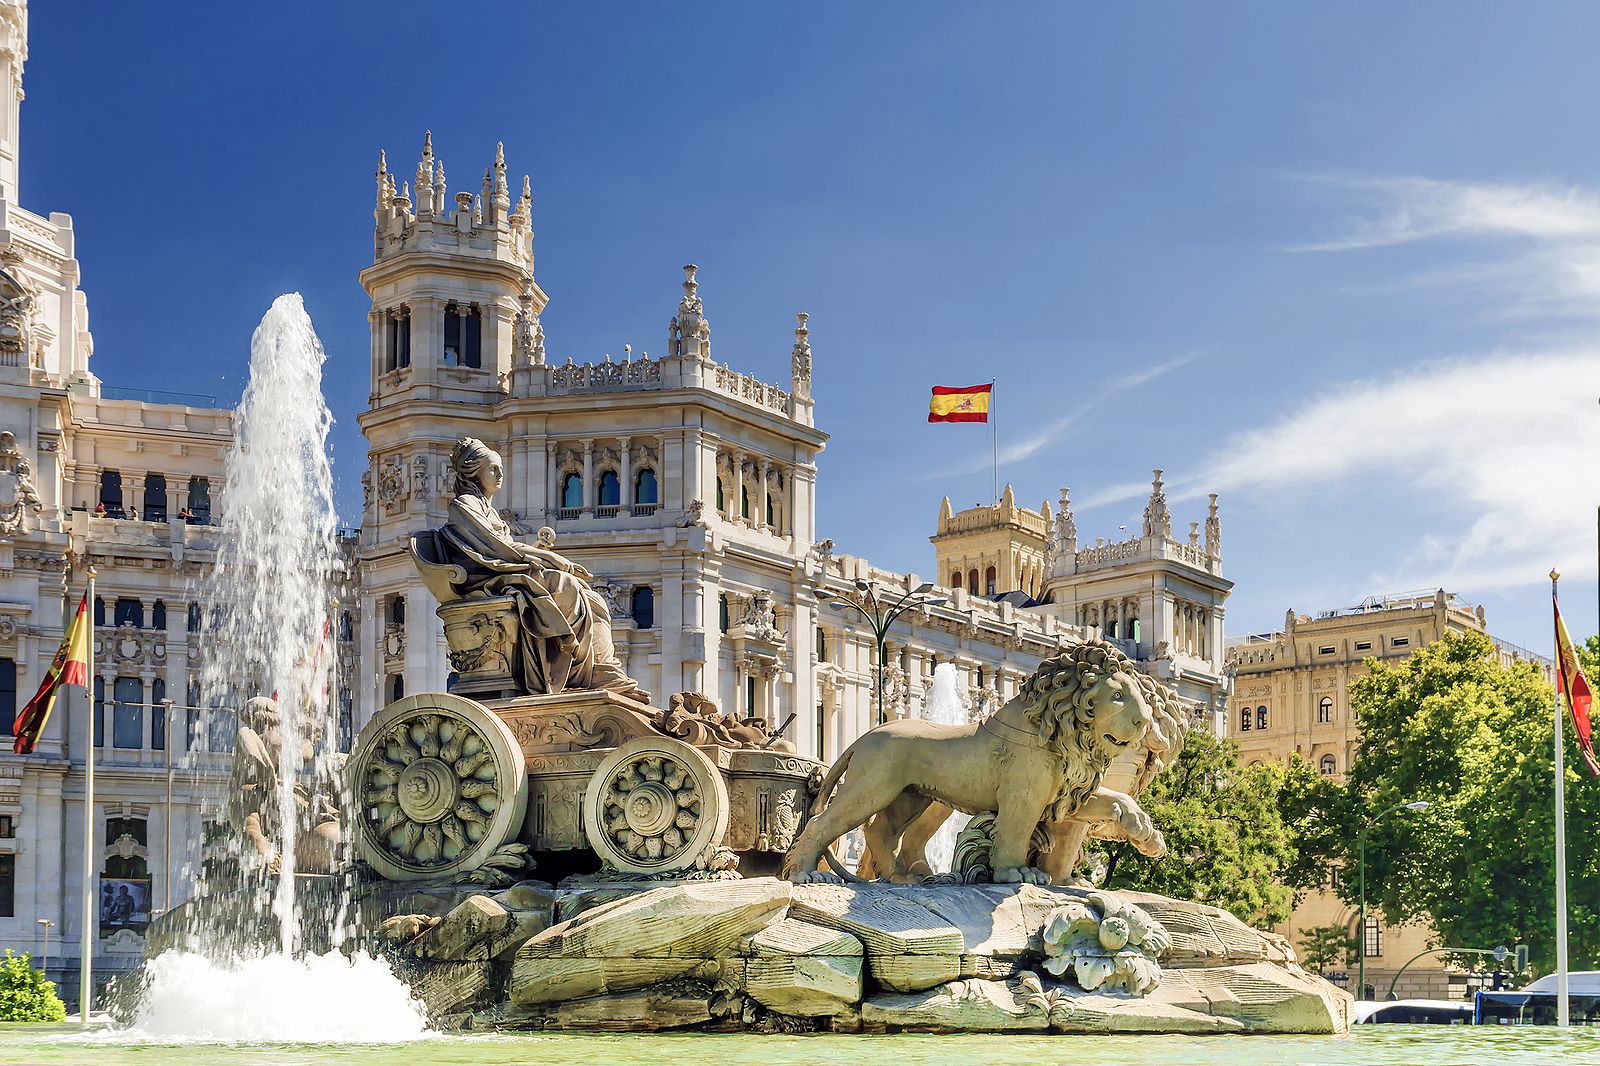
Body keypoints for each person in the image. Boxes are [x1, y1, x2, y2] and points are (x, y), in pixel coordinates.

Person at [414, 436, 647, 702]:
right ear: (473, 471)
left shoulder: (487, 510)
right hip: (488, 582)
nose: (500, 474)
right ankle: (577, 666)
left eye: (500, 468)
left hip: (504, 573)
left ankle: (598, 671)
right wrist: (551, 560)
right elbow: (497, 550)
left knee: (591, 598)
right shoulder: (464, 506)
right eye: (493, 469)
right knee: (566, 585)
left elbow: (504, 548)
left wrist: (539, 556)